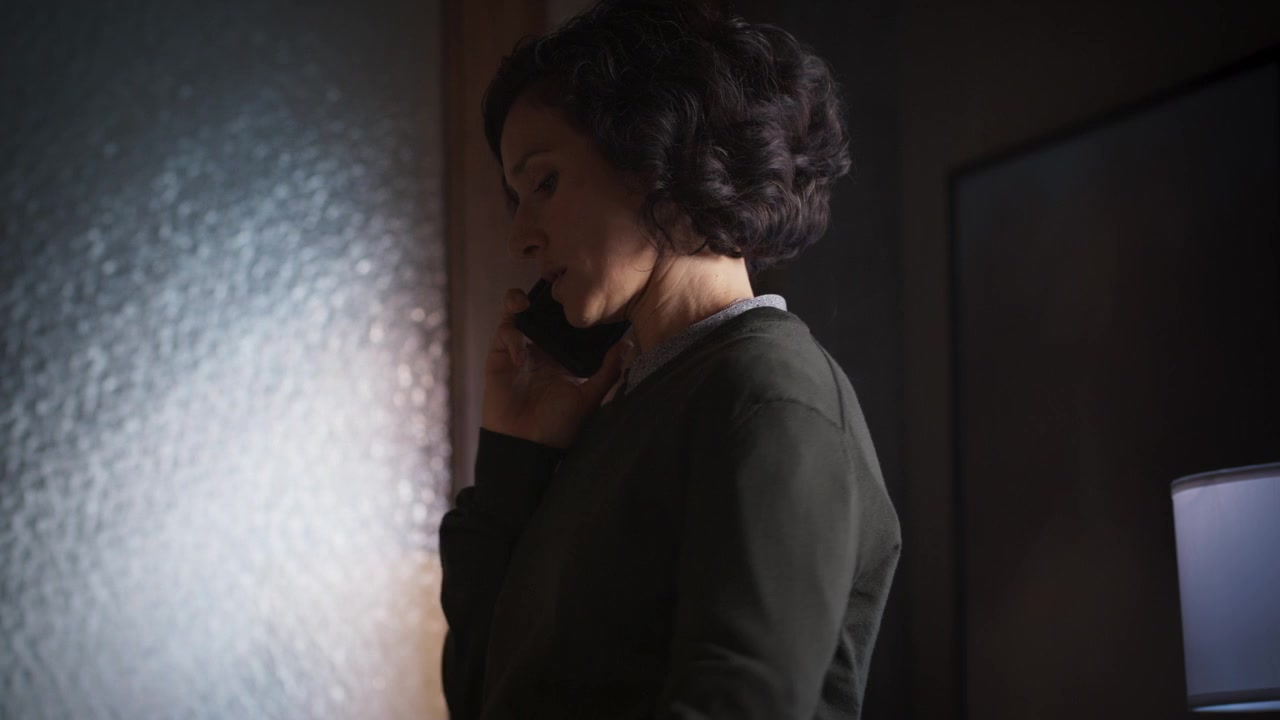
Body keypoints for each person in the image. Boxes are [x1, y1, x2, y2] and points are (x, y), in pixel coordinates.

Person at [438, 1, 901, 718]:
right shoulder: (634, 403)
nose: (520, 237)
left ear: (659, 161)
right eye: (516, 198)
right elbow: (482, 693)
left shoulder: (765, 396)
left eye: (545, 184)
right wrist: (513, 460)